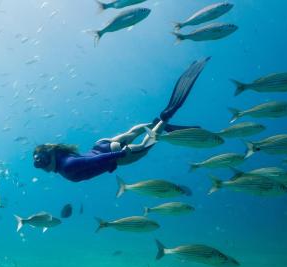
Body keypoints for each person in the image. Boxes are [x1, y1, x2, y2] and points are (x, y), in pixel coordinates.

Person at [33, 57, 210, 182]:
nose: (41, 166)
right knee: (132, 132)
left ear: (50, 157)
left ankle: (164, 118)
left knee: (145, 146)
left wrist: (119, 154)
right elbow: (89, 160)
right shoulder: (64, 155)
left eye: (41, 161)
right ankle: (155, 124)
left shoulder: (67, 166)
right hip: (101, 145)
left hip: (113, 156)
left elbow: (91, 162)